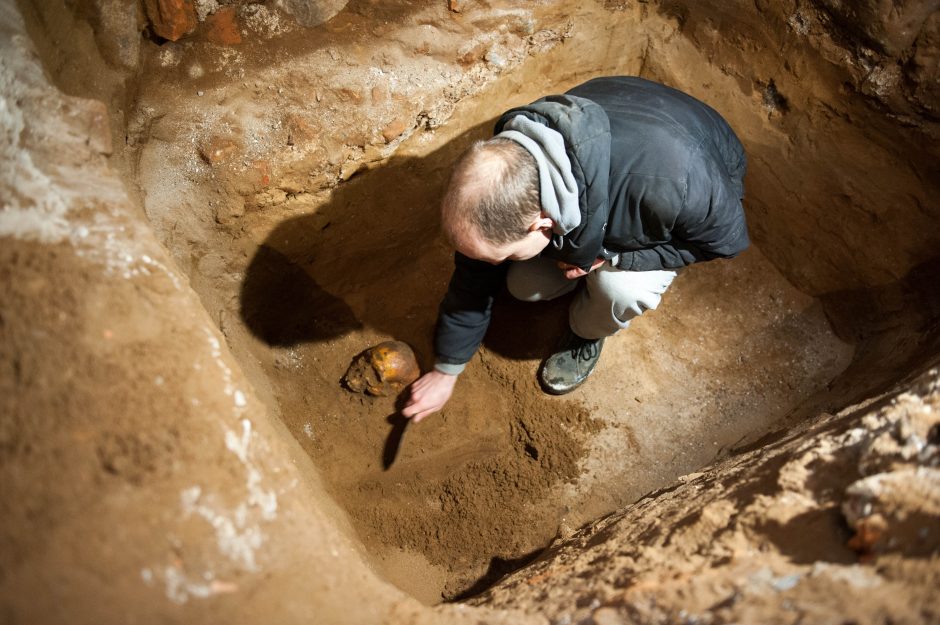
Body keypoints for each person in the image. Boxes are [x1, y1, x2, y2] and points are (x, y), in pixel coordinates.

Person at [402, 76, 749, 422]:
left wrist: (616, 255)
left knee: (619, 290)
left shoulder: (676, 187)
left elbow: (726, 242)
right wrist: (447, 369)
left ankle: (587, 332)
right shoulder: (505, 168)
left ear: (542, 223)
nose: (499, 262)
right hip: (620, 142)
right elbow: (472, 275)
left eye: (505, 256)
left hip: (690, 162)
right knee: (523, 287)